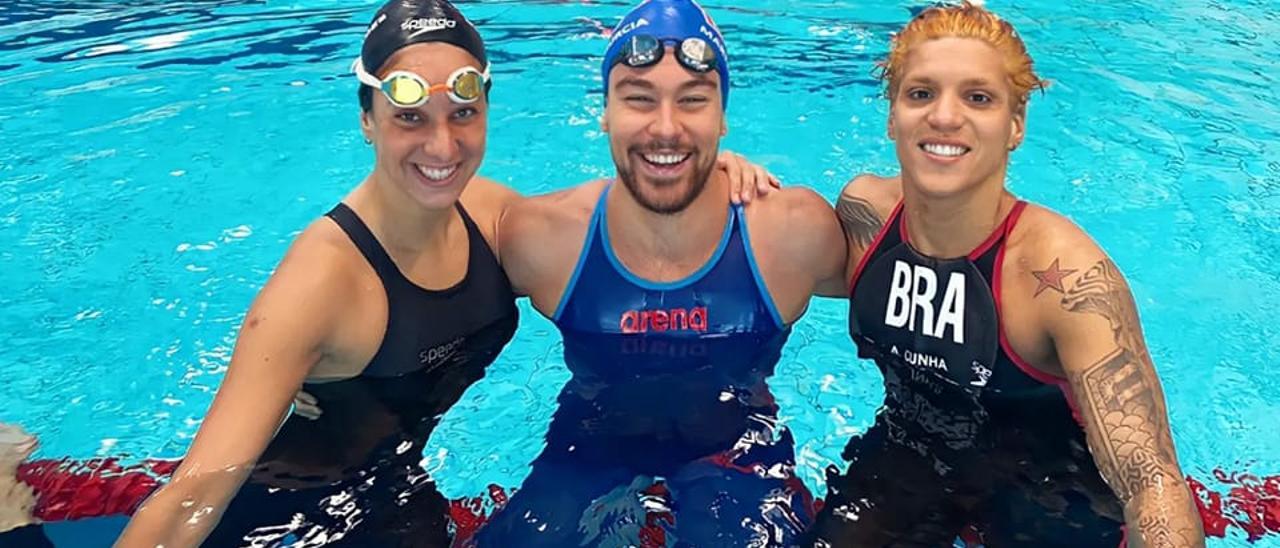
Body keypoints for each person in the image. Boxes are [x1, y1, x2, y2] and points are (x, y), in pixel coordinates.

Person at [106, 0, 774, 545]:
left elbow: (615, 218)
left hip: (401, 496)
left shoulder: (491, 217)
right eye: (409, 119)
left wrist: (700, 158)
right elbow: (193, 492)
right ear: (367, 120)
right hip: (289, 518)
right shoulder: (319, 283)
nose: (442, 146)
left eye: (463, 114)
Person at [801, 3, 1206, 546]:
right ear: (892, 116)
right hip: (911, 454)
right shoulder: (866, 218)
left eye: (978, 97)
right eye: (921, 93)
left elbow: (1151, 481)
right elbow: (752, 255)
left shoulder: (1063, 279)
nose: (944, 117)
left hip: (1050, 492)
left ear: (1015, 125)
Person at [473, 1, 847, 546]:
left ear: (722, 116)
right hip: (589, 448)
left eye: (692, 102)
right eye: (639, 99)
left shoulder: (789, 234)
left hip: (738, 450)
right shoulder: (545, 238)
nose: (666, 129)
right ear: (605, 111)